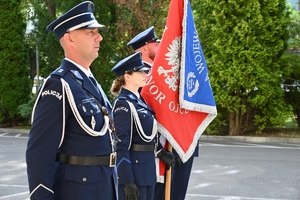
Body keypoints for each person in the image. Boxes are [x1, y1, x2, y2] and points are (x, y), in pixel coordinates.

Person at [25, 1, 118, 200]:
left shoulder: (89, 82)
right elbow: (39, 154)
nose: (99, 37)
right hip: (78, 192)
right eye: (90, 32)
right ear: (69, 39)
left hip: (104, 187)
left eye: (97, 32)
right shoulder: (59, 85)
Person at [127, 26, 199, 200]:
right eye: (155, 43)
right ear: (144, 48)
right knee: (162, 194)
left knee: (177, 194)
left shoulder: (162, 72)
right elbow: (144, 116)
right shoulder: (141, 76)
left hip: (180, 143)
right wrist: (160, 150)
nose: (160, 46)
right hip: (163, 146)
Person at [110, 52, 175, 200]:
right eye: (140, 72)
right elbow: (120, 146)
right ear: (127, 76)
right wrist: (127, 181)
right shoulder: (123, 104)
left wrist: (162, 154)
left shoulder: (140, 101)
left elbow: (147, 137)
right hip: (134, 175)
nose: (145, 74)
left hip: (147, 171)